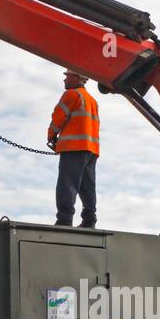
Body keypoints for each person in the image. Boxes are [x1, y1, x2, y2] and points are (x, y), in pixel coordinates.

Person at [47, 70, 100, 227]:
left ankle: (64, 219)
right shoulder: (92, 100)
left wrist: (51, 135)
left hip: (74, 148)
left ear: (77, 78)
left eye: (67, 76)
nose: (64, 79)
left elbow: (58, 117)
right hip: (91, 150)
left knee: (67, 183)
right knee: (87, 186)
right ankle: (89, 220)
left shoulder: (72, 95)